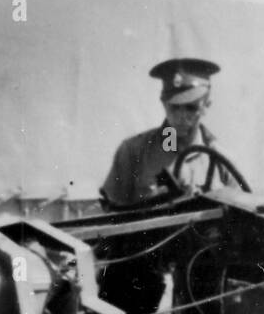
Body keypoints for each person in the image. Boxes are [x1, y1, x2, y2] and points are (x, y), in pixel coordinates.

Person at [100, 57, 234, 208]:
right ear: (163, 103)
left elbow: (244, 218)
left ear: (207, 106)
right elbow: (109, 213)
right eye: (174, 107)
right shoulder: (134, 152)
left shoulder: (221, 161)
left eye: (191, 107)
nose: (181, 116)